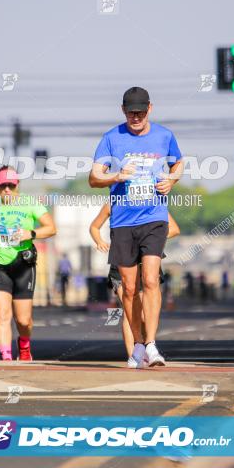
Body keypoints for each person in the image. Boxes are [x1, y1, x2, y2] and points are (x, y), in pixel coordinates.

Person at [89, 86, 183, 368]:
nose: (136, 117)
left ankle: (152, 345)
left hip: (153, 217)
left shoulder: (164, 136)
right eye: (131, 113)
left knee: (151, 280)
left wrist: (172, 180)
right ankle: (139, 344)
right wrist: (115, 175)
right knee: (128, 289)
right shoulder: (111, 139)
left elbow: (178, 163)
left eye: (141, 112)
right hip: (123, 222)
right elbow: (94, 178)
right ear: (123, 111)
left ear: (150, 109)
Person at [0, 166, 57, 361]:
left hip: (23, 265)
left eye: (11, 185)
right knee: (2, 314)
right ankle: (6, 356)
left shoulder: (30, 203)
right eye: (3, 186)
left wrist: (31, 234)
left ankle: (24, 346)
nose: (7, 190)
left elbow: (51, 228)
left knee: (24, 320)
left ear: (17, 185)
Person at [89, 204, 179, 367]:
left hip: (146, 257)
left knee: (144, 314)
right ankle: (134, 355)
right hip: (122, 257)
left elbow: (174, 229)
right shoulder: (113, 202)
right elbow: (94, 227)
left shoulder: (152, 200)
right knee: (128, 305)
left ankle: (148, 347)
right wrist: (99, 241)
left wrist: (152, 238)